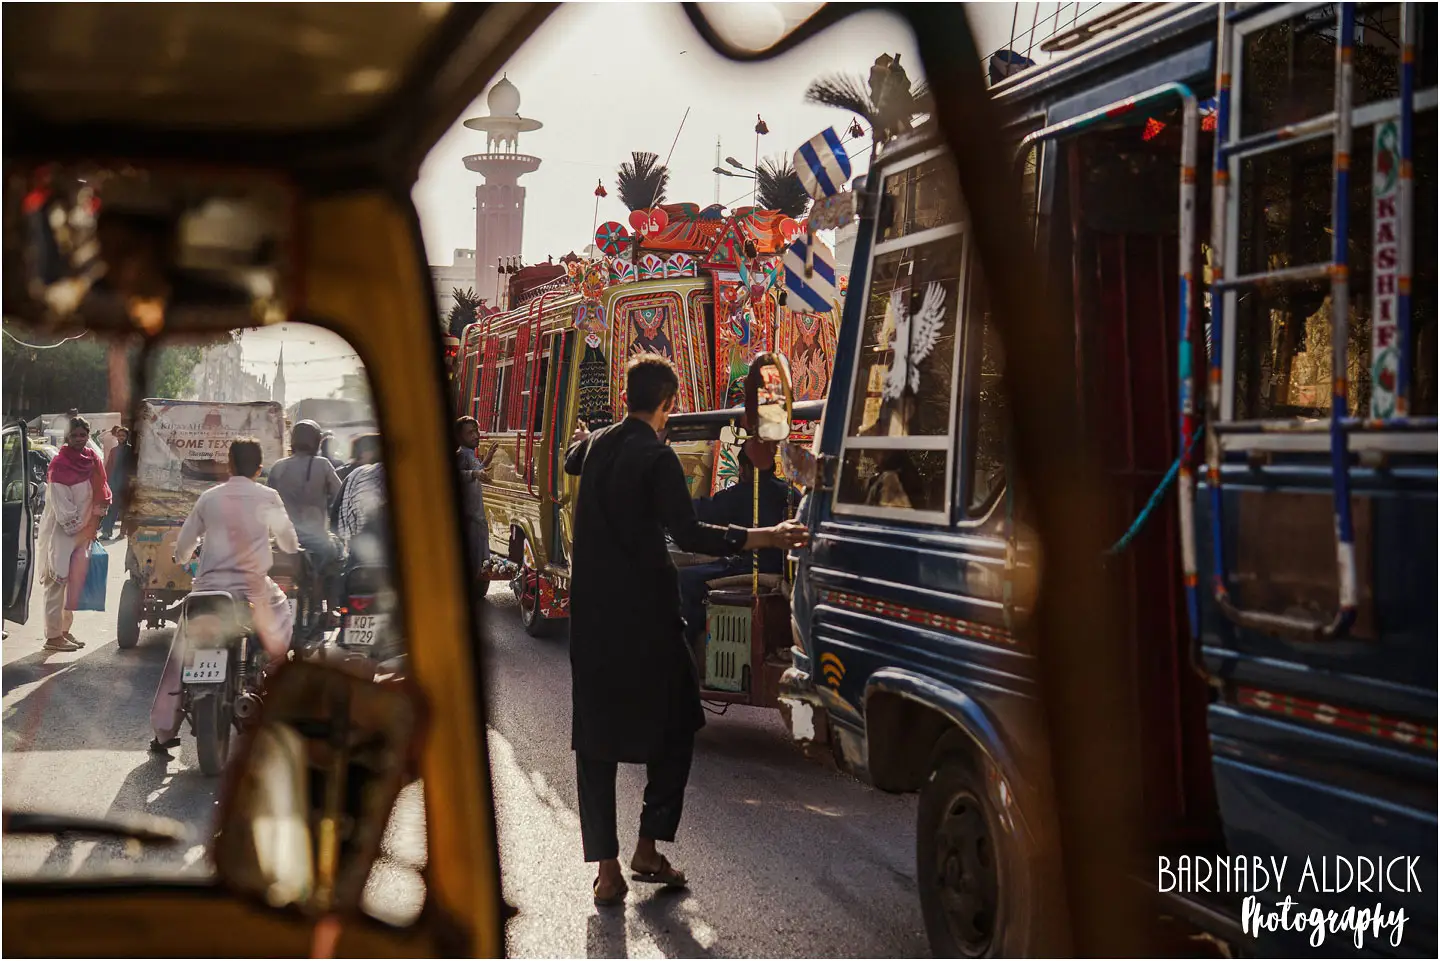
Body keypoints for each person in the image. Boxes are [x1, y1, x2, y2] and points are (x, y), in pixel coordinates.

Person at [563, 354, 809, 907]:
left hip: (593, 623)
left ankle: (608, 870)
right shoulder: (658, 458)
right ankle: (647, 846)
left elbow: (575, 454)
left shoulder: (598, 446)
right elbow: (692, 534)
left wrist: (584, 433)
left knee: (595, 744)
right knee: (678, 725)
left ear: (627, 397)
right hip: (648, 622)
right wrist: (767, 536)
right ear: (669, 405)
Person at [150, 438, 300, 752]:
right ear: (259, 468)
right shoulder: (268, 497)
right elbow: (287, 542)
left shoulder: (210, 497)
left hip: (208, 590)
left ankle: (164, 730)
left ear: (229, 465)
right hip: (252, 591)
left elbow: (185, 544)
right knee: (283, 608)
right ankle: (274, 666)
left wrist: (181, 558)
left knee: (182, 653)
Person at [678, 437, 795, 649]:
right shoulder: (789, 492)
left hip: (751, 567)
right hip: (778, 567)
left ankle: (685, 649)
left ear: (745, 469)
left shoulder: (742, 494)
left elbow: (704, 510)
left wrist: (666, 509)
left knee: (683, 579)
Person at [34, 416, 111, 652]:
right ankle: (53, 636)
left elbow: (101, 493)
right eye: (75, 435)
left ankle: (65, 631)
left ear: (88, 436)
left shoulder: (92, 460)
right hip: (61, 532)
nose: (79, 439)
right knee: (56, 582)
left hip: (84, 531)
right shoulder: (59, 465)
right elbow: (63, 509)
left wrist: (93, 525)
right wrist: (84, 527)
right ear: (67, 438)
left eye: (83, 435)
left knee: (73, 585)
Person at [268, 420, 343, 610]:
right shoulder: (323, 465)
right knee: (340, 556)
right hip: (318, 542)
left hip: (282, 543)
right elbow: (340, 495)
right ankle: (331, 609)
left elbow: (266, 501)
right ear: (317, 441)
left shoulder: (278, 467)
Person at [455, 417, 499, 580]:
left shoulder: (469, 453)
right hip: (470, 517)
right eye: (470, 433)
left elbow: (478, 470)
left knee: (479, 559)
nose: (475, 436)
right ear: (460, 437)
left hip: (477, 516)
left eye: (476, 431)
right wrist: (474, 473)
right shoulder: (461, 455)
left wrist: (488, 457)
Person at [100, 425, 135, 540]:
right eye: (119, 435)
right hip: (113, 483)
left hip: (126, 484)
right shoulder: (114, 450)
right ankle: (106, 531)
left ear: (127, 437)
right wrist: (105, 480)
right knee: (111, 508)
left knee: (125, 510)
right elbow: (109, 466)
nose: (121, 437)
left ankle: (122, 533)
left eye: (123, 436)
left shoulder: (131, 450)